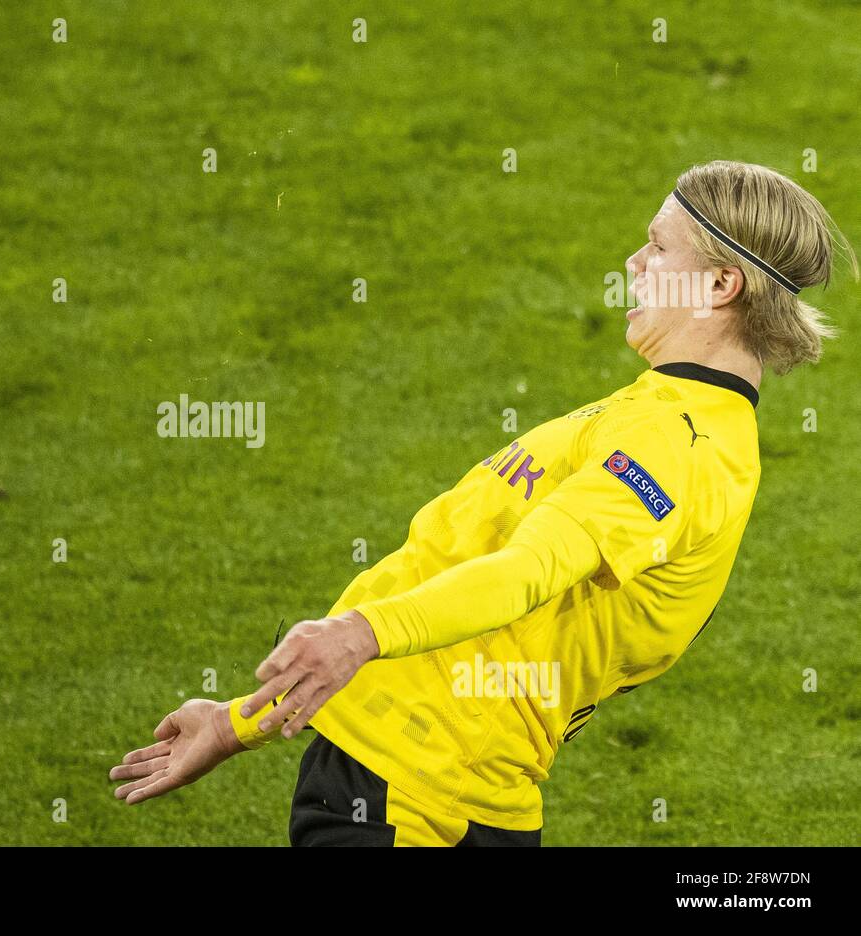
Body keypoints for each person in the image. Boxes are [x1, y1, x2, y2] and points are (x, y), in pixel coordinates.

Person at [109, 160, 857, 846]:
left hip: (411, 800)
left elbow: (526, 571)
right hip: (415, 785)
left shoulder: (678, 443)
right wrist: (237, 723)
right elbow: (462, 587)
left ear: (721, 286)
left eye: (658, 249)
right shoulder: (656, 417)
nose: (632, 264)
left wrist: (360, 634)